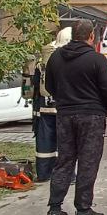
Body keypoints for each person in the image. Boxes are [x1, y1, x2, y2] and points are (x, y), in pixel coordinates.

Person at [44, 19, 107, 215]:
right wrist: (103, 107)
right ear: (91, 36)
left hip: (65, 115)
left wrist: (64, 100)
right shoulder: (96, 60)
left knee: (64, 160)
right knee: (88, 161)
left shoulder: (56, 58)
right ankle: (83, 210)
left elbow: (50, 85)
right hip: (92, 116)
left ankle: (54, 209)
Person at [22, 26, 70, 182]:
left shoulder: (42, 60)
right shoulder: (70, 59)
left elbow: (32, 85)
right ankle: (66, 176)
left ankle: (43, 174)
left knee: (44, 143)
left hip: (43, 108)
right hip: (64, 109)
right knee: (66, 143)